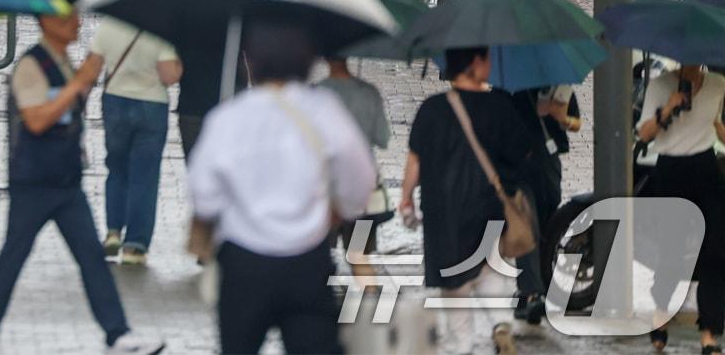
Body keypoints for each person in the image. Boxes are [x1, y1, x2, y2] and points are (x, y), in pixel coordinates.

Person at [0, 0, 164, 355]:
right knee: (13, 256)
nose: (77, 22)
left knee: (92, 257)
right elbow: (37, 119)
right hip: (34, 183)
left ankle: (117, 333)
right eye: (69, 16)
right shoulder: (31, 65)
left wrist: (85, 83)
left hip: (65, 181)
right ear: (47, 22)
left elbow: (68, 110)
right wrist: (78, 85)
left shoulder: (62, 60)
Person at [189, 28, 376, 354]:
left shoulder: (229, 116)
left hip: (243, 262)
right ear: (307, 61)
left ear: (251, 62)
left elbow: (203, 196)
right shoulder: (325, 110)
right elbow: (360, 182)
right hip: (307, 263)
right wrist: (337, 209)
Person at [399, 47, 538, 355]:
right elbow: (526, 155)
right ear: (476, 62)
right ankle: (500, 324)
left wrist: (406, 198)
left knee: (455, 283)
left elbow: (415, 162)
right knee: (491, 270)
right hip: (487, 205)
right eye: (486, 57)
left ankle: (461, 344)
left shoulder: (432, 109)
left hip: (442, 213)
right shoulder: (499, 107)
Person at [636, 63, 725, 354]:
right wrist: (669, 106)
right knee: (672, 251)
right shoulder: (660, 85)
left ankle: (710, 331)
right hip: (671, 169)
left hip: (705, 167)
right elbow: (645, 134)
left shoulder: (717, 84)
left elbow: (717, 123)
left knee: (717, 249)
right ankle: (662, 310)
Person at [91, 18, 182, 266]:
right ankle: (135, 246)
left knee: (116, 169)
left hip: (114, 102)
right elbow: (169, 75)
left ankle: (112, 232)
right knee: (144, 175)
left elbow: (93, 66)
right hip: (151, 105)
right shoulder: (160, 29)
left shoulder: (108, 25)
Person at [507, 85, 579, 325]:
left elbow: (576, 123)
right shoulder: (510, 88)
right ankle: (530, 292)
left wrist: (561, 117)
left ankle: (537, 287)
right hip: (520, 163)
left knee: (547, 227)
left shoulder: (560, 85)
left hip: (549, 162)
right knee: (525, 224)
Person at [317, 57, 392, 268]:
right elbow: (383, 139)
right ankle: (370, 295)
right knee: (360, 258)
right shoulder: (369, 93)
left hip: (325, 192)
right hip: (362, 193)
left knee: (320, 256)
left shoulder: (316, 95)